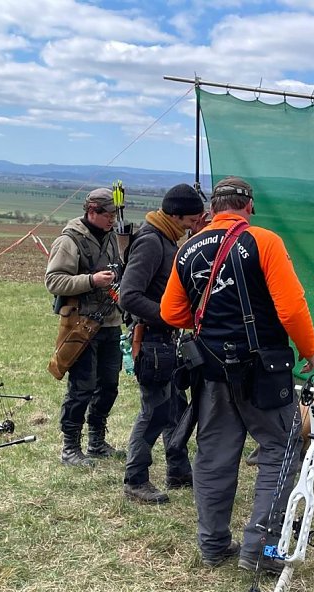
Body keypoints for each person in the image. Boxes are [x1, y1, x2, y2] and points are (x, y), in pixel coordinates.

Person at [160, 176, 314, 570]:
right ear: (248, 207)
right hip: (264, 371)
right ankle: (260, 550)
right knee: (280, 450)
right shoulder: (264, 242)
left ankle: (213, 546)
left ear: (213, 209)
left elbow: (171, 314)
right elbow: (291, 309)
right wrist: (308, 348)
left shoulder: (188, 248)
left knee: (213, 456)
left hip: (211, 372)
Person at [118, 184, 204, 503]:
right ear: (177, 213)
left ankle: (178, 470)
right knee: (153, 411)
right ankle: (135, 480)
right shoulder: (152, 241)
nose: (194, 221)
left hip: (165, 340)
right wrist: (171, 317)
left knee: (174, 408)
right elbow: (129, 295)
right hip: (153, 340)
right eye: (192, 215)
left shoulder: (166, 237)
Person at [45, 188, 124, 467]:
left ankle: (96, 441)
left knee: (109, 385)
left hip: (110, 321)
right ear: (92, 211)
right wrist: (91, 281)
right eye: (109, 214)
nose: (113, 219)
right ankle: (70, 447)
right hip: (81, 324)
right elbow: (53, 281)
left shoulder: (112, 237)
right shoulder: (70, 240)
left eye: (115, 214)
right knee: (82, 387)